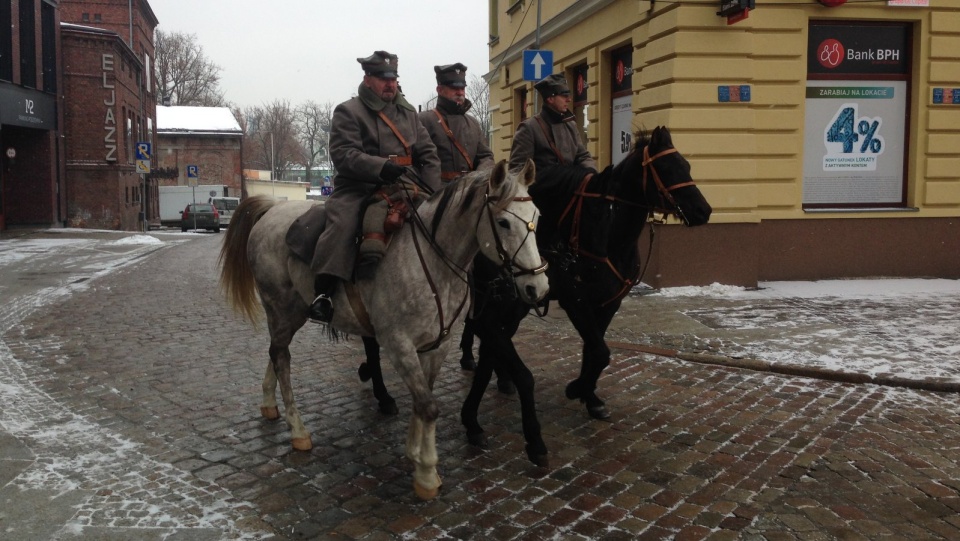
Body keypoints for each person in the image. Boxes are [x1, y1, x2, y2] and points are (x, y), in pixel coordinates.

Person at [308, 50, 440, 322]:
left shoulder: (409, 114)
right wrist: (380, 167)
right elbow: (344, 154)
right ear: (367, 79)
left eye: (393, 78)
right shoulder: (349, 111)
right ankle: (325, 292)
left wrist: (433, 192)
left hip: (405, 184)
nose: (389, 83)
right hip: (360, 186)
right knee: (343, 223)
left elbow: (428, 155)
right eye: (382, 78)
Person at [418, 63, 494, 181]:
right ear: (440, 90)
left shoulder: (473, 123)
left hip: (470, 191)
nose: (460, 92)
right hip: (437, 194)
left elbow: (486, 157)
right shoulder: (424, 120)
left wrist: (478, 178)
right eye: (454, 88)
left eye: (462, 88)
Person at [509, 73, 597, 175]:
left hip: (570, 188)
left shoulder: (571, 126)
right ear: (550, 99)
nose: (569, 99)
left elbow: (583, 156)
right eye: (564, 96)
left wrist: (591, 174)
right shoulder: (529, 128)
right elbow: (517, 172)